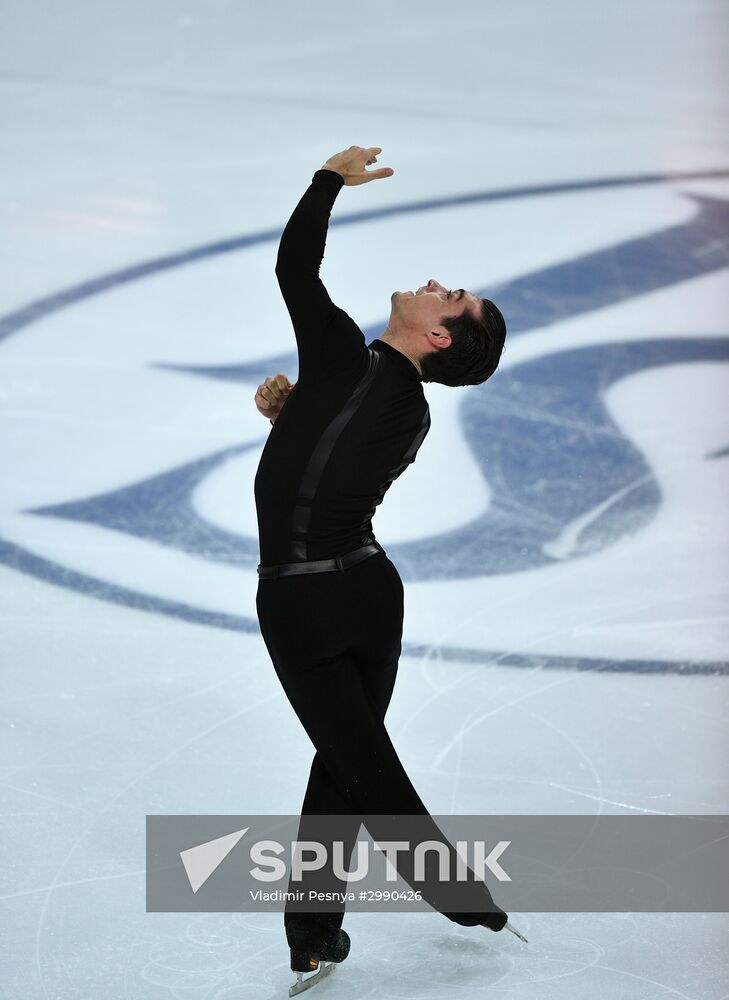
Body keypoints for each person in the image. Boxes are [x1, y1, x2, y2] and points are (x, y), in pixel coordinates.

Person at [252, 146, 520, 993]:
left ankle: (454, 893)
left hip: (301, 600)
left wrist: (328, 178)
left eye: (452, 296)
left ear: (438, 335)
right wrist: (293, 420)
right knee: (344, 762)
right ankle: (312, 931)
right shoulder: (404, 411)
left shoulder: (340, 357)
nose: (438, 282)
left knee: (358, 766)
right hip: (364, 593)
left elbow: (294, 263)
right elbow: (320, 473)